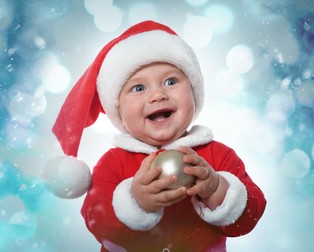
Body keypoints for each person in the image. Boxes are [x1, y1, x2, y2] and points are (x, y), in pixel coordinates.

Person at [52, 20, 266, 251]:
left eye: (171, 81)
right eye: (138, 88)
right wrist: (134, 201)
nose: (157, 95)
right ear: (118, 112)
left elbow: (249, 217)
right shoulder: (112, 163)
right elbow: (96, 222)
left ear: (194, 93)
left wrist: (216, 189)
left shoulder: (217, 155)